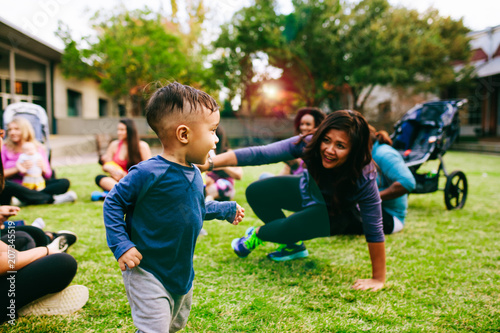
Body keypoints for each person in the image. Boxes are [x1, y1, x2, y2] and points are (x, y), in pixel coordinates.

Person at [103, 82, 245, 332]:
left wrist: (224, 209)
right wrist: (122, 245)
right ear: (184, 135)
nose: (217, 139)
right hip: (146, 269)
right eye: (212, 131)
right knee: (154, 327)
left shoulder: (194, 173)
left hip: (181, 273)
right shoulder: (148, 172)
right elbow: (113, 202)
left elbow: (196, 208)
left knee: (174, 325)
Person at [201, 110, 386, 291]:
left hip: (332, 214)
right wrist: (210, 163)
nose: (329, 150)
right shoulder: (309, 143)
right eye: (327, 140)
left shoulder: (364, 173)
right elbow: (261, 153)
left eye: (340, 146)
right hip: (306, 191)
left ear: (353, 150)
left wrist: (378, 278)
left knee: (284, 229)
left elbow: (374, 226)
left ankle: (258, 234)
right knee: (257, 191)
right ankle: (293, 246)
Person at [0, 129, 87, 324]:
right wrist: (44, 251)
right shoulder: (8, 152)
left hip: (37, 185)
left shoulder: (36, 149)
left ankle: (46, 234)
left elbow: (48, 174)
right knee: (63, 263)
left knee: (27, 236)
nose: (5, 135)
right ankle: (21, 304)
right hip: (22, 187)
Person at [0, 118, 76, 205]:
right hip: (18, 186)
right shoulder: (4, 148)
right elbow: (1, 175)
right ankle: (52, 199)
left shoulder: (38, 147)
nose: (12, 132)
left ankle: (26, 199)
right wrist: (17, 169)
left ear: (25, 130)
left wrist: (43, 168)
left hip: (38, 184)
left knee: (64, 182)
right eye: (10, 130)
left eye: (16, 129)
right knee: (7, 185)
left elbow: (48, 175)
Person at [370, 126, 416, 234]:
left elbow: (407, 182)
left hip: (391, 218)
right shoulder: (366, 155)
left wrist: (371, 199)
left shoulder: (384, 154)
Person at [92, 118, 152, 200]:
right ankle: (125, 194)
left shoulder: (142, 146)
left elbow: (149, 170)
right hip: (117, 181)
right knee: (100, 178)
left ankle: (114, 194)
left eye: (122, 130)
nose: (118, 132)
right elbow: (105, 164)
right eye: (118, 130)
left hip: (134, 181)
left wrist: (128, 176)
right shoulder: (114, 145)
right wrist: (113, 170)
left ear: (130, 131)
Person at [278, 107, 326, 176]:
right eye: (302, 124)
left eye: (308, 124)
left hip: (300, 184)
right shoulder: (297, 145)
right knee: (264, 176)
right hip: (289, 181)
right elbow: (283, 175)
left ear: (317, 126)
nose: (303, 127)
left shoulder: (318, 149)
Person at [204, 126, 243, 201]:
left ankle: (208, 199)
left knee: (221, 184)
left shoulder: (228, 153)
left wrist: (221, 165)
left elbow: (239, 175)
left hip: (224, 186)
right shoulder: (206, 153)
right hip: (209, 186)